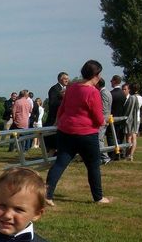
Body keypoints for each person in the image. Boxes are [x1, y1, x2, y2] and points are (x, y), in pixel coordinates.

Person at [45, 60, 110, 205]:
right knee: (93, 165)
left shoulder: (71, 88)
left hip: (66, 131)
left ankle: (47, 194)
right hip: (87, 134)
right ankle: (98, 197)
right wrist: (102, 122)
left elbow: (62, 109)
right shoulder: (93, 92)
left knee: (60, 163)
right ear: (96, 75)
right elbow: (98, 116)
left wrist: (59, 122)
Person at [45, 72, 69, 153]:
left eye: (67, 79)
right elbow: (52, 103)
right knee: (53, 140)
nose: (67, 80)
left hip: (63, 118)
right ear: (60, 79)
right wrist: (63, 100)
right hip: (54, 118)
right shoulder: (54, 89)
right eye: (65, 79)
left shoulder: (67, 88)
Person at [96, 78, 112, 165]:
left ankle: (105, 157)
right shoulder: (107, 92)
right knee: (100, 139)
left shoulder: (103, 93)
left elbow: (104, 108)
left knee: (99, 139)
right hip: (105, 118)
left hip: (103, 119)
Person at [123, 83, 141, 161]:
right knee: (134, 137)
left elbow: (128, 109)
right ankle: (131, 154)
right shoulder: (141, 98)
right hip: (137, 118)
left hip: (131, 119)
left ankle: (128, 154)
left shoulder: (132, 98)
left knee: (129, 137)